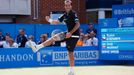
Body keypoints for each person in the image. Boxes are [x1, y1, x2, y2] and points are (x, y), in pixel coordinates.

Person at [29, 0, 80, 75]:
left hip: (74, 35)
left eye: (69, 5)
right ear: (64, 6)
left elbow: (78, 24)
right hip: (67, 33)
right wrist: (49, 20)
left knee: (70, 53)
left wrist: (70, 33)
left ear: (71, 6)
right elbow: (56, 22)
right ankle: (37, 47)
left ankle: (72, 72)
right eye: (66, 5)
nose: (67, 6)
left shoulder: (73, 14)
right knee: (54, 38)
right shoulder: (65, 15)